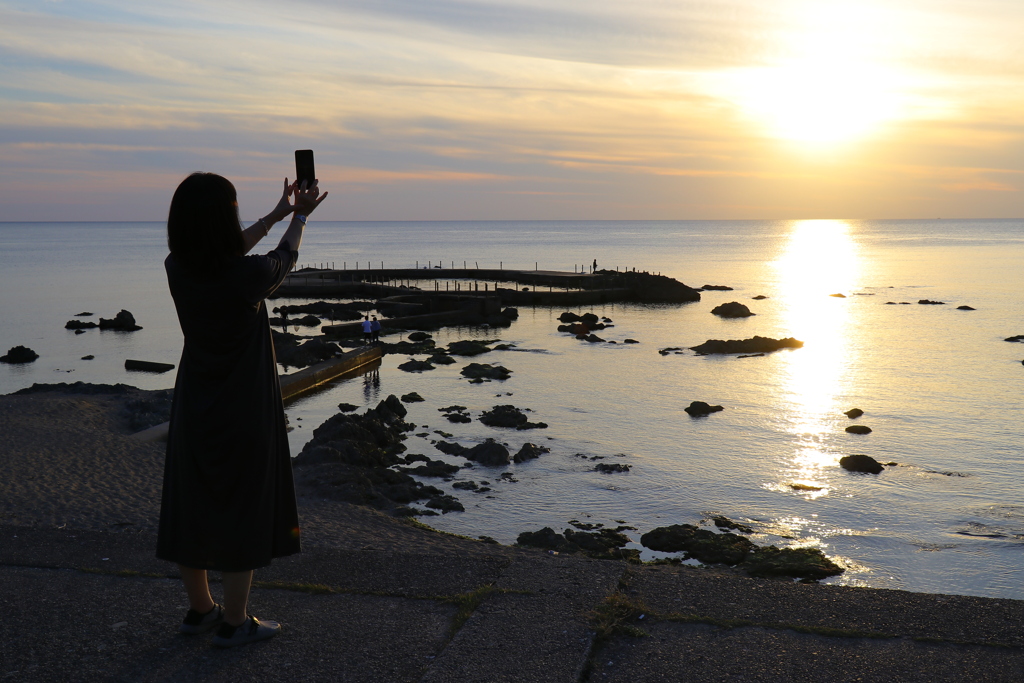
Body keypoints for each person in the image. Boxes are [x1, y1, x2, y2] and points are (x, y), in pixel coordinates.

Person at [158, 172, 327, 648]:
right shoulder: (246, 277)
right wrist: (297, 218)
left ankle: (200, 610)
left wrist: (274, 215)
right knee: (242, 506)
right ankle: (235, 621)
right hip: (244, 404)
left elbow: (224, 250)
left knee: (192, 502)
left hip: (194, 400)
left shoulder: (177, 266)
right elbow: (283, 259)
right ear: (224, 220)